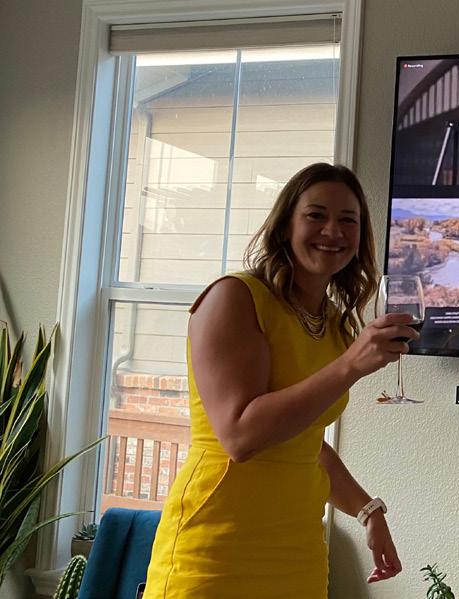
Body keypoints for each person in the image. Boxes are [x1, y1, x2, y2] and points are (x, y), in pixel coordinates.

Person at [143, 163, 417, 598]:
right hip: (217, 548)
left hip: (298, 550)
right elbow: (240, 436)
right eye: (316, 215)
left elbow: (306, 443)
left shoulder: (332, 322)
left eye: (348, 220)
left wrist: (368, 510)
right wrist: (350, 365)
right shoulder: (235, 297)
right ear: (286, 224)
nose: (333, 231)